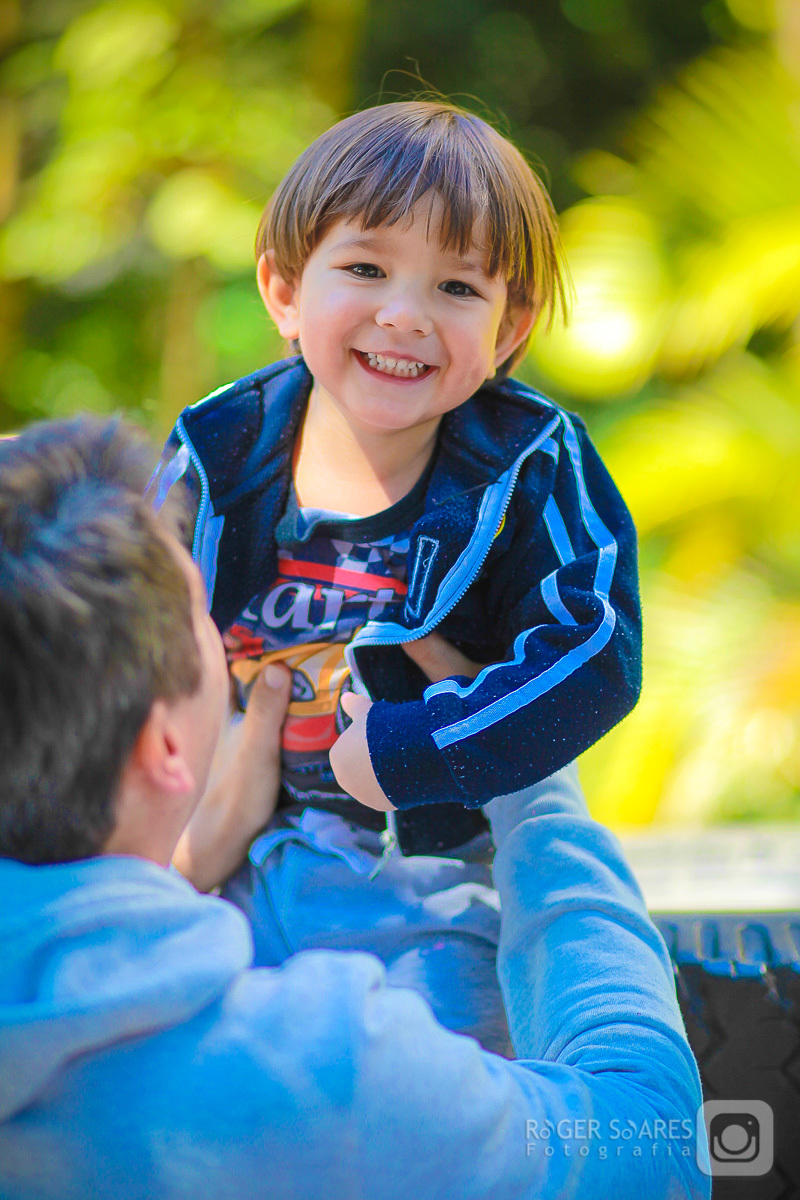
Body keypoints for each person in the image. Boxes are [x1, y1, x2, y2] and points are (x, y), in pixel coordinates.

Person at [0, 414, 708, 1198]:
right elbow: (654, 1147)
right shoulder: (319, 1071)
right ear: (162, 748)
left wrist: (187, 864)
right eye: (201, 617)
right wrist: (525, 781)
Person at [153, 100, 641, 1052]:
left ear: (508, 329)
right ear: (286, 291)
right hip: (228, 865)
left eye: (458, 288)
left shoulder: (528, 462)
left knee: (430, 1101)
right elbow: (116, 634)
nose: (405, 315)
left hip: (429, 884)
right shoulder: (220, 449)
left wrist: (418, 748)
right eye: (366, 268)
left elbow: (597, 648)